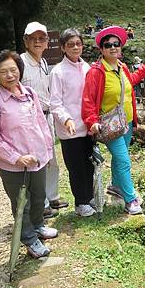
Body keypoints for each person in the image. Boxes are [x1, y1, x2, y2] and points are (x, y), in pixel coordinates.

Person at [0, 50, 57, 258]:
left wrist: (47, 150)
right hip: (12, 165)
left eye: (13, 70)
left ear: (20, 70)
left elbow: (41, 124)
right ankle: (29, 239)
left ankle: (39, 225)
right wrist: (17, 157)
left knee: (39, 195)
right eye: (3, 71)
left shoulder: (30, 93)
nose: (9, 75)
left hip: (38, 159)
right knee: (21, 202)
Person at [81, 26, 145, 215]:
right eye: (108, 45)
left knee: (119, 158)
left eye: (116, 44)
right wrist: (91, 122)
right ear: (102, 49)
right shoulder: (96, 72)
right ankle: (131, 199)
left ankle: (115, 185)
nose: (113, 48)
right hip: (109, 124)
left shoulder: (121, 68)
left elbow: (132, 80)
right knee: (123, 160)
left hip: (127, 121)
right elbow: (88, 100)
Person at [20, 22, 68, 219]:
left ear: (47, 42)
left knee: (51, 160)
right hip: (31, 121)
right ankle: (43, 204)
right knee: (38, 161)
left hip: (47, 117)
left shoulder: (44, 62)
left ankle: (52, 196)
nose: (38, 42)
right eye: (33, 38)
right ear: (26, 41)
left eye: (42, 38)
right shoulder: (20, 63)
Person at [49, 29, 96, 217]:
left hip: (88, 127)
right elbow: (55, 102)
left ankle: (89, 196)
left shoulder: (88, 68)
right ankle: (81, 202)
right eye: (70, 44)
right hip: (70, 129)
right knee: (76, 167)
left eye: (78, 43)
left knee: (89, 164)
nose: (75, 47)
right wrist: (66, 119)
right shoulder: (58, 72)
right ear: (62, 48)